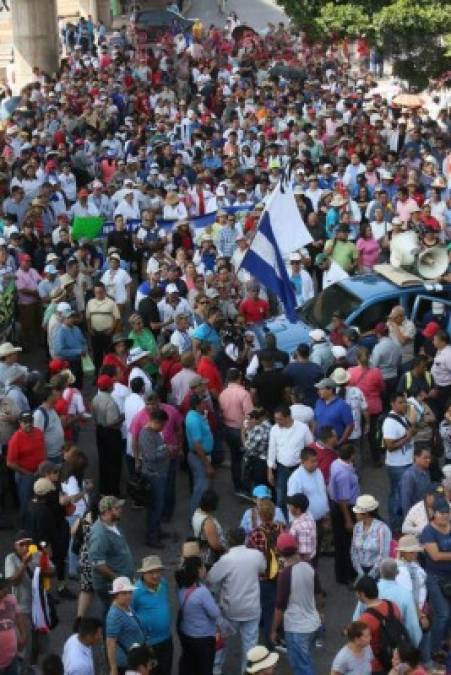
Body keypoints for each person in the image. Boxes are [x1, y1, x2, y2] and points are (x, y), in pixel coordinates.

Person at [207, 527, 266, 673]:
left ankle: (216, 670)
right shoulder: (256, 555)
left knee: (221, 643)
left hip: (230, 610)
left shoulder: (226, 560)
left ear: (228, 542)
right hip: (252, 608)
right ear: (245, 539)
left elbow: (211, 578)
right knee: (250, 647)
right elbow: (263, 569)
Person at [270, 532, 321, 675]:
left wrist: (274, 630)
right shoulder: (309, 567)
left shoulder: (285, 574)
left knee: (302, 668)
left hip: (296, 628)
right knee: (307, 662)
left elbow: (280, 606)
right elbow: (318, 595)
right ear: (296, 547)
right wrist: (318, 612)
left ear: (279, 552)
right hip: (313, 624)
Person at [354, 559, 422, 649]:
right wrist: (413, 645)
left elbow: (356, 619)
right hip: (397, 646)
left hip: (372, 646)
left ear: (380, 572)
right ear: (397, 573)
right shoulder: (406, 594)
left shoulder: (369, 589)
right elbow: (412, 626)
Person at [247, 499, 286, 649]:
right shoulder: (282, 527)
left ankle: (270, 641)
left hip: (264, 577)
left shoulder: (255, 534)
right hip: (281, 573)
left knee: (268, 608)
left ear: (260, 515)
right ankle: (280, 632)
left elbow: (251, 556)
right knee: (281, 604)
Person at [87, 496, 134, 616]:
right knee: (113, 614)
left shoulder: (113, 525)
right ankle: (108, 634)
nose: (120, 510)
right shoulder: (100, 534)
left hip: (118, 581)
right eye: (117, 508)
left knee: (118, 612)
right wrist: (117, 578)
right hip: (109, 584)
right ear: (107, 511)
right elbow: (98, 563)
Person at [175, 555, 220, 675]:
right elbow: (215, 613)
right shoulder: (202, 592)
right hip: (203, 638)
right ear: (198, 570)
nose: (205, 569)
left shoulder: (180, 586)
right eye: (203, 567)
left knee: (190, 666)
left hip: (186, 634)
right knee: (205, 669)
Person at [267, 404, 314, 516]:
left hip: (299, 468)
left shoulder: (303, 428)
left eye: (280, 419)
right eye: (276, 419)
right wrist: (269, 470)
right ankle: (282, 524)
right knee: (281, 498)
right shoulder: (274, 429)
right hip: (282, 469)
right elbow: (272, 449)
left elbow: (310, 446)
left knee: (298, 497)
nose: (277, 422)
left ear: (288, 417)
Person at [419, 495, 451, 658]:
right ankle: (433, 649)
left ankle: (445, 642)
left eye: (447, 512)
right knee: (443, 614)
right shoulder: (428, 532)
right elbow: (436, 556)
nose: (445, 515)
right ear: (434, 513)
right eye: (441, 512)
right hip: (434, 578)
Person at [353, 575, 403, 675]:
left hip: (377, 664)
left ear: (362, 594)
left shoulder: (365, 619)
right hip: (397, 658)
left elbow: (359, 644)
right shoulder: (392, 605)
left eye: (357, 593)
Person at [132, 556, 173, 675]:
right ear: (143, 574)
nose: (155, 575)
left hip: (167, 640)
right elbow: (130, 615)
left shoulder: (163, 584)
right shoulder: (136, 591)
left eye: (158, 571)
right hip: (149, 644)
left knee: (166, 671)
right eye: (151, 572)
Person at [137, 409, 171, 548]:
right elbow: (151, 457)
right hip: (153, 475)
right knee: (155, 507)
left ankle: (157, 530)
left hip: (159, 473)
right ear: (156, 422)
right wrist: (166, 451)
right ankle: (151, 536)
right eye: (162, 425)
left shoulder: (154, 432)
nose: (163, 428)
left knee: (159, 505)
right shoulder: (146, 435)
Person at [382, 393, 415, 533]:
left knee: (404, 494)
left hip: (407, 462)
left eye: (405, 402)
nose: (404, 405)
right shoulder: (389, 422)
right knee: (396, 495)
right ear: (392, 404)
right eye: (401, 402)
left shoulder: (402, 417)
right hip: (397, 465)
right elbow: (389, 445)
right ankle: (395, 527)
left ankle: (402, 523)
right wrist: (408, 437)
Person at [328, 444, 360, 585]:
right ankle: (346, 575)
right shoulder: (344, 474)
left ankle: (343, 574)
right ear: (351, 455)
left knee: (342, 543)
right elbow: (343, 500)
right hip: (344, 510)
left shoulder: (336, 463)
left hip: (339, 507)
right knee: (346, 544)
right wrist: (348, 520)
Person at [218, 368, 253, 496]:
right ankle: (244, 486)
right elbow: (249, 415)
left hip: (227, 429)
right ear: (239, 378)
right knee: (247, 458)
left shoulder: (223, 393)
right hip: (240, 430)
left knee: (235, 458)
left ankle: (237, 485)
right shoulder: (243, 393)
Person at [6, 411, 45, 517]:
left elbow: (42, 450)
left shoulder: (39, 432)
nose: (28, 424)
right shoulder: (16, 438)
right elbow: (10, 463)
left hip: (40, 473)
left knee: (40, 501)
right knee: (26, 502)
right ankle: (25, 528)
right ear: (20, 423)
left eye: (30, 421)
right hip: (25, 476)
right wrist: (27, 473)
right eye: (25, 422)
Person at [91, 374, 124, 496]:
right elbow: (111, 422)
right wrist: (121, 418)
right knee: (114, 463)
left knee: (103, 460)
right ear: (109, 386)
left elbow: (94, 416)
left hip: (99, 431)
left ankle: (103, 489)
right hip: (111, 434)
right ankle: (113, 491)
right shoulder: (110, 402)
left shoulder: (96, 398)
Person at [106, 577, 146, 675]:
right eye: (124, 593)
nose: (128, 596)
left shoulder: (126, 606)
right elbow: (111, 643)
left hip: (135, 658)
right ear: (116, 595)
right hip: (126, 663)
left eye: (130, 592)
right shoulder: (115, 615)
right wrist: (113, 669)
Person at [185, 394, 215, 517]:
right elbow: (197, 445)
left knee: (203, 487)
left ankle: (201, 514)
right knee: (200, 489)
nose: (206, 404)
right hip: (199, 458)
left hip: (203, 456)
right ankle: (194, 517)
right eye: (204, 403)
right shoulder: (193, 420)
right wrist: (207, 465)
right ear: (197, 405)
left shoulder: (197, 415)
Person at [351, 495, 391, 579]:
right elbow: (353, 551)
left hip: (377, 572)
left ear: (366, 514)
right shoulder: (357, 527)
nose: (355, 514)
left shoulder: (382, 529)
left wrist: (370, 575)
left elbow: (383, 555)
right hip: (360, 570)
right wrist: (360, 572)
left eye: (357, 512)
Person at [192, 489, 226, 570]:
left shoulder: (197, 512)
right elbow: (214, 544)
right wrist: (224, 550)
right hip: (210, 557)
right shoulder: (208, 522)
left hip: (201, 550)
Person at [0, 573, 27, 675]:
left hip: (12, 656)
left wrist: (23, 635)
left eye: (5, 586)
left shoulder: (11, 599)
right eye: (1, 588)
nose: (6, 590)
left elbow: (19, 616)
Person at [314, 378, 354, 446]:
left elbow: (350, 425)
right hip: (319, 443)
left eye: (321, 389)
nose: (318, 391)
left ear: (330, 390)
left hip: (334, 446)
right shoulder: (318, 402)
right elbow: (315, 421)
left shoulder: (342, 405)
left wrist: (341, 442)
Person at [284, 344, 323, 409]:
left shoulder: (289, 368)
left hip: (298, 404)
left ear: (297, 353)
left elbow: (286, 388)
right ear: (309, 353)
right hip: (315, 403)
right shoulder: (317, 368)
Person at [399, 447, 432, 517]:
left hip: (425, 512)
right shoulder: (409, 476)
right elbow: (405, 501)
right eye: (425, 458)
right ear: (416, 457)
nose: (428, 460)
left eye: (429, 458)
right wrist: (409, 519)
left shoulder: (426, 470)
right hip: (415, 514)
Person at [287, 493, 317, 562]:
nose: (288, 507)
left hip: (301, 561)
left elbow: (305, 554)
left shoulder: (302, 527)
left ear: (298, 510)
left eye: (291, 505)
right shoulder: (308, 516)